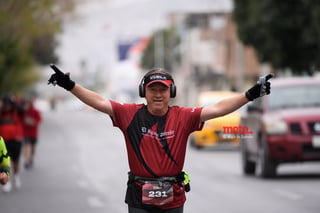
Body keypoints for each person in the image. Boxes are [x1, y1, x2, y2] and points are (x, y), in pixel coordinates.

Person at [48, 65, 272, 213]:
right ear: (143, 92)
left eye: (163, 90)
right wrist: (70, 86)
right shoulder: (129, 114)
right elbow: (99, 102)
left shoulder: (183, 117)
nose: (157, 94)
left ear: (171, 92)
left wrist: (250, 94)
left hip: (173, 197)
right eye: (152, 89)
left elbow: (217, 109)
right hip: (139, 197)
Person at [0, 96, 24, 192]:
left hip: (16, 140)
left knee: (16, 162)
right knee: (6, 162)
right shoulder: (1, 114)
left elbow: (22, 109)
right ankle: (7, 182)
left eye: (8, 105)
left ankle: (16, 176)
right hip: (4, 142)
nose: (6, 107)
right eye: (4, 105)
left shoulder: (17, 112)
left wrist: (13, 101)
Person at [22, 99, 42, 169]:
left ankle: (31, 158)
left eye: (28, 104)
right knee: (27, 146)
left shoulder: (35, 111)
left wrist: (33, 122)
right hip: (25, 132)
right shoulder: (23, 111)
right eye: (25, 104)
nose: (26, 106)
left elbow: (39, 120)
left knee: (33, 148)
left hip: (33, 133)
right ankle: (26, 161)